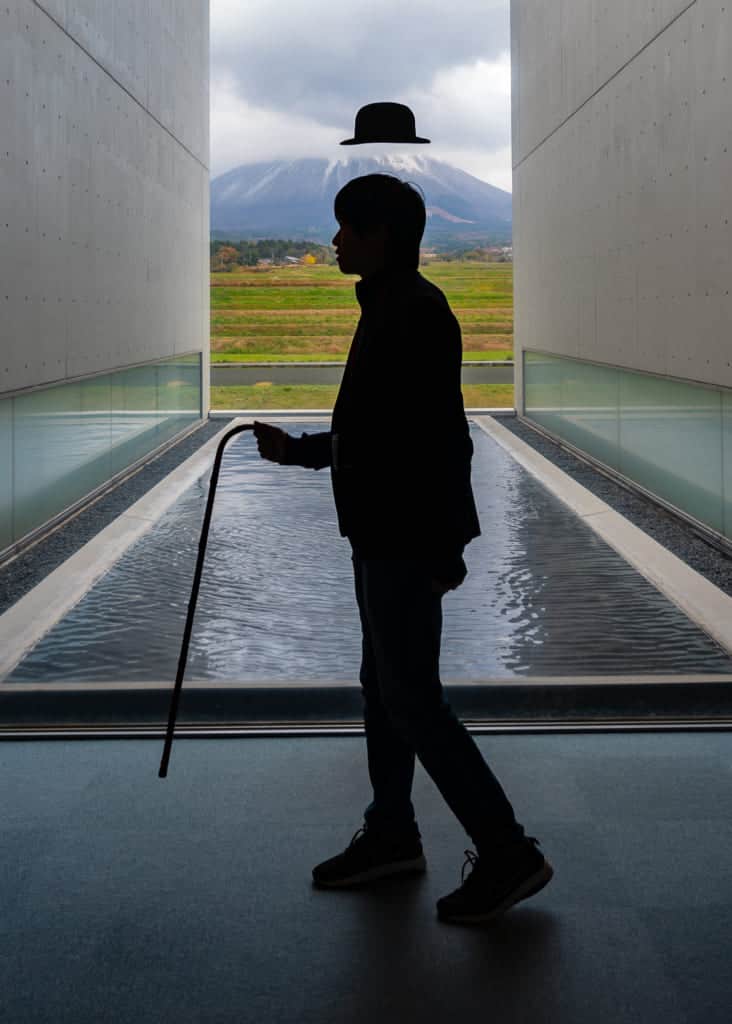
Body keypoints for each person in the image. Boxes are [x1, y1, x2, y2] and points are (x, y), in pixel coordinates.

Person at [253, 173, 553, 925]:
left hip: (401, 540)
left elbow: (426, 441)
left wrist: (438, 545)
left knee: (412, 700)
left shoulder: (412, 312)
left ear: (380, 234)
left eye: (346, 228)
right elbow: (398, 435)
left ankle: (507, 850)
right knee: (386, 691)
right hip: (390, 535)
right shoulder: (396, 303)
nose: (334, 241)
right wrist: (302, 454)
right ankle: (392, 833)